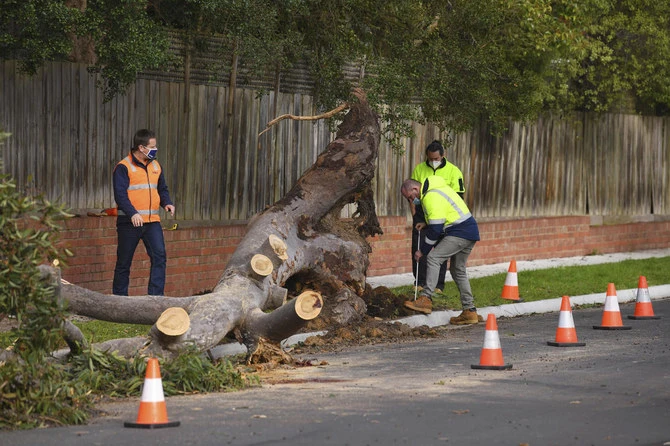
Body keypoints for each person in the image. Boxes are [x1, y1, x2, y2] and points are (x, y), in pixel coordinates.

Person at [400, 176, 482, 324]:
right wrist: (426, 223)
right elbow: (442, 217)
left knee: (433, 258)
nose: (412, 201)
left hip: (459, 232)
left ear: (415, 189)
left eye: (410, 197)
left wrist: (422, 251)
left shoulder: (431, 196)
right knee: (458, 270)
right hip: (470, 230)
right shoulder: (436, 188)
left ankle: (425, 298)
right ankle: (470, 310)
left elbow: (436, 230)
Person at [112, 129, 175, 296]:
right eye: (152, 147)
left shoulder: (156, 166)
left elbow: (162, 189)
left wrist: (167, 203)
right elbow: (120, 194)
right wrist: (133, 213)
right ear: (141, 147)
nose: (155, 150)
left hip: (152, 222)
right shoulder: (123, 167)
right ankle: (119, 301)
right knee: (124, 262)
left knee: (159, 257)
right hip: (129, 222)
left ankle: (155, 298)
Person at [409, 140, 465, 294]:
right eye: (430, 159)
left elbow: (459, 197)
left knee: (440, 251)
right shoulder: (419, 169)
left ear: (442, 156)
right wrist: (415, 216)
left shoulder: (454, 171)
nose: (433, 162)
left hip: (443, 218)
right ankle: (419, 282)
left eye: (436, 159)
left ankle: (438, 286)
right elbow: (412, 194)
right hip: (422, 215)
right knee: (419, 248)